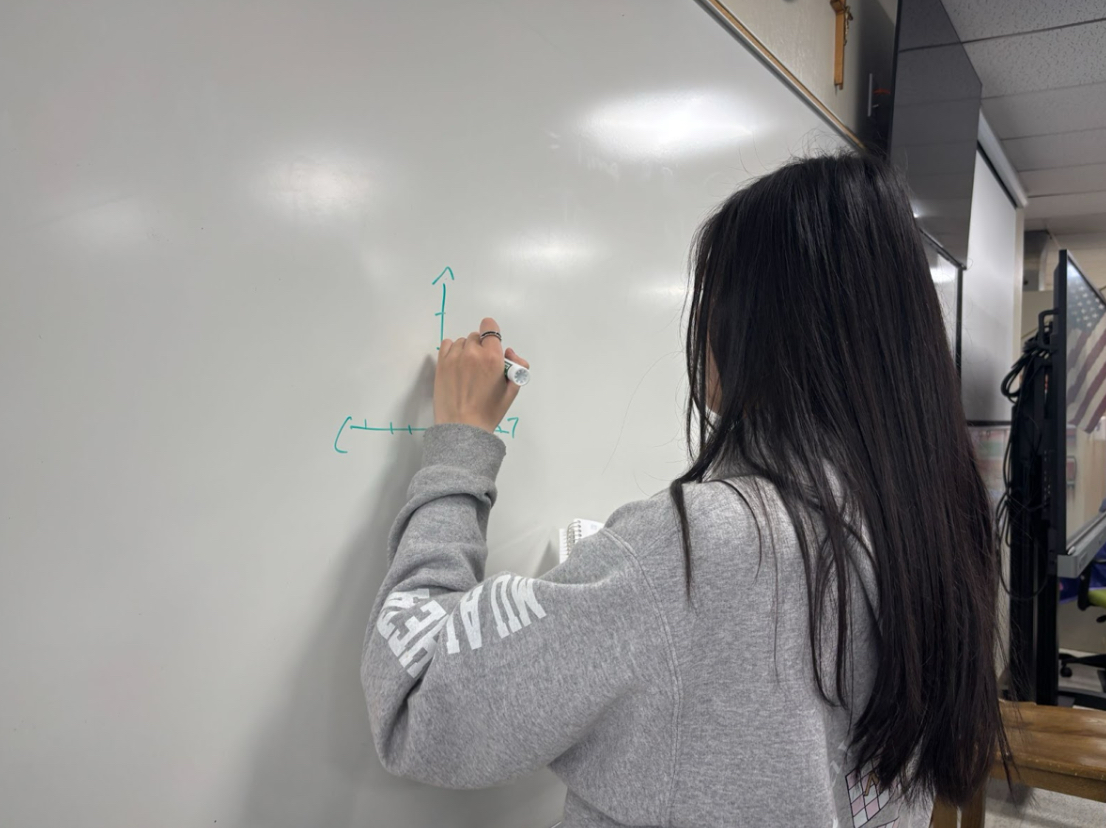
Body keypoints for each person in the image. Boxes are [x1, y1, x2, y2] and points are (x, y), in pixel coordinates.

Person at [361, 153, 1008, 827]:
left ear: (754, 328)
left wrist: (460, 448)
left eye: (714, 303)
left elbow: (417, 699)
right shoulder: (928, 517)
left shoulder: (708, 548)